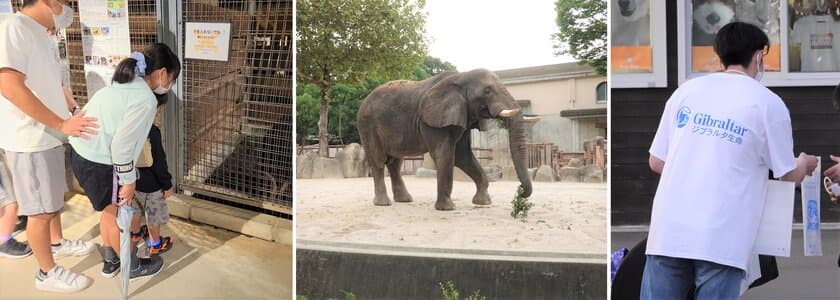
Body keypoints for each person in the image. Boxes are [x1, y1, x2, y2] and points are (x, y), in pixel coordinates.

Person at [642, 22, 818, 299]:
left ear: (719, 55)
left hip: (668, 233)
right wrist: (805, 163)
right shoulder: (768, 103)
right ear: (760, 56)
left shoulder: (686, 92)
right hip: (722, 239)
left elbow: (656, 161)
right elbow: (787, 174)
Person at [0, 0, 100, 293]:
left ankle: (57, 243)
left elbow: (46, 82)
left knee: (52, 200)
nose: (69, 8)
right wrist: (60, 124)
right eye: (67, 2)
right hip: (31, 140)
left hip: (49, 137)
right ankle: (46, 272)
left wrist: (68, 106)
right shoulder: (14, 27)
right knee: (40, 211)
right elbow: (8, 83)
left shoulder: (41, 33)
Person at [69, 43, 180, 281]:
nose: (169, 84)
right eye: (171, 78)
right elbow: (122, 148)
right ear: (162, 73)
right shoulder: (146, 100)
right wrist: (129, 181)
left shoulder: (122, 83)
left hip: (81, 152)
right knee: (117, 216)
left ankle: (111, 259)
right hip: (99, 161)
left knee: (107, 212)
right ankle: (133, 266)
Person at [130, 111, 175, 257]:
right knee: (154, 216)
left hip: (132, 181)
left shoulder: (128, 128)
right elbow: (159, 161)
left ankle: (135, 234)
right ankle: (155, 244)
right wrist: (166, 184)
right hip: (153, 185)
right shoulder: (152, 131)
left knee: (135, 211)